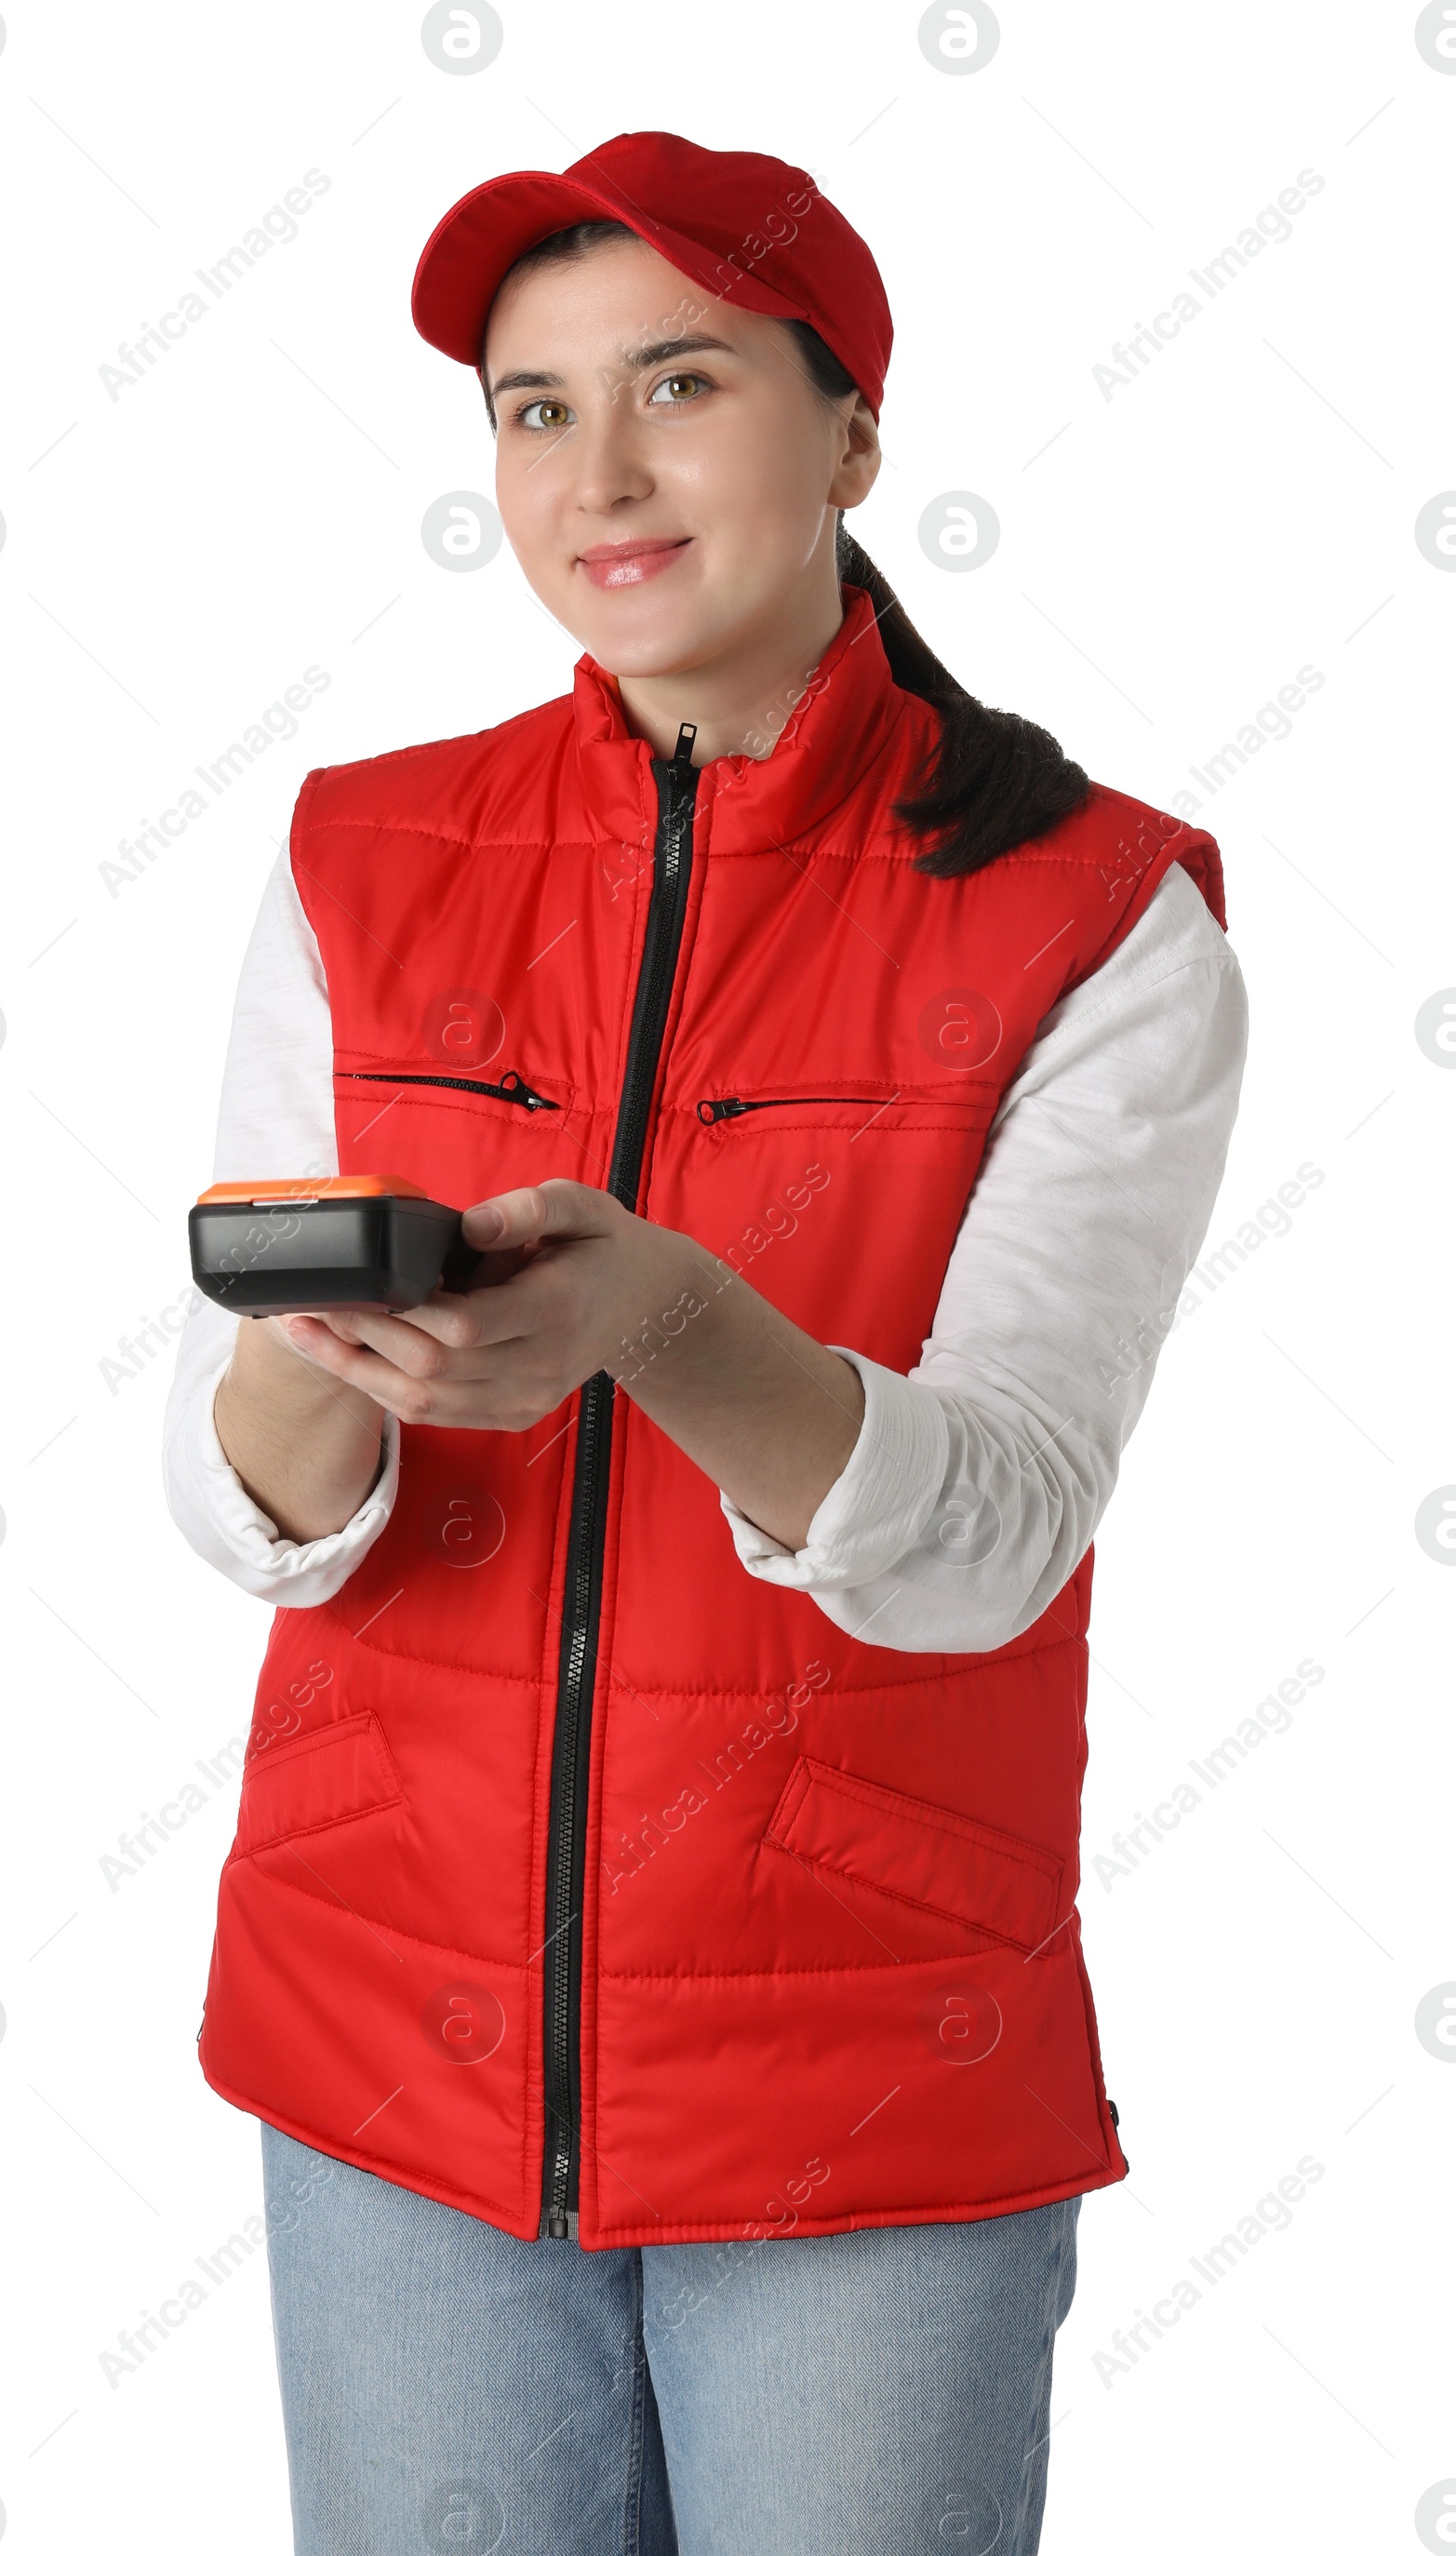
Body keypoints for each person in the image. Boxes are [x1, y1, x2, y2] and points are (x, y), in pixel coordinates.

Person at [165, 130, 1248, 2556]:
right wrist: (314, 1363)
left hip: (862, 2069)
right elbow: (240, 1496)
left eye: (681, 384)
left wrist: (662, 1314)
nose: (602, 473)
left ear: (851, 432)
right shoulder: (362, 848)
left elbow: (992, 1531)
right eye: (534, 410)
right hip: (388, 2036)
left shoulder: (1097, 915)